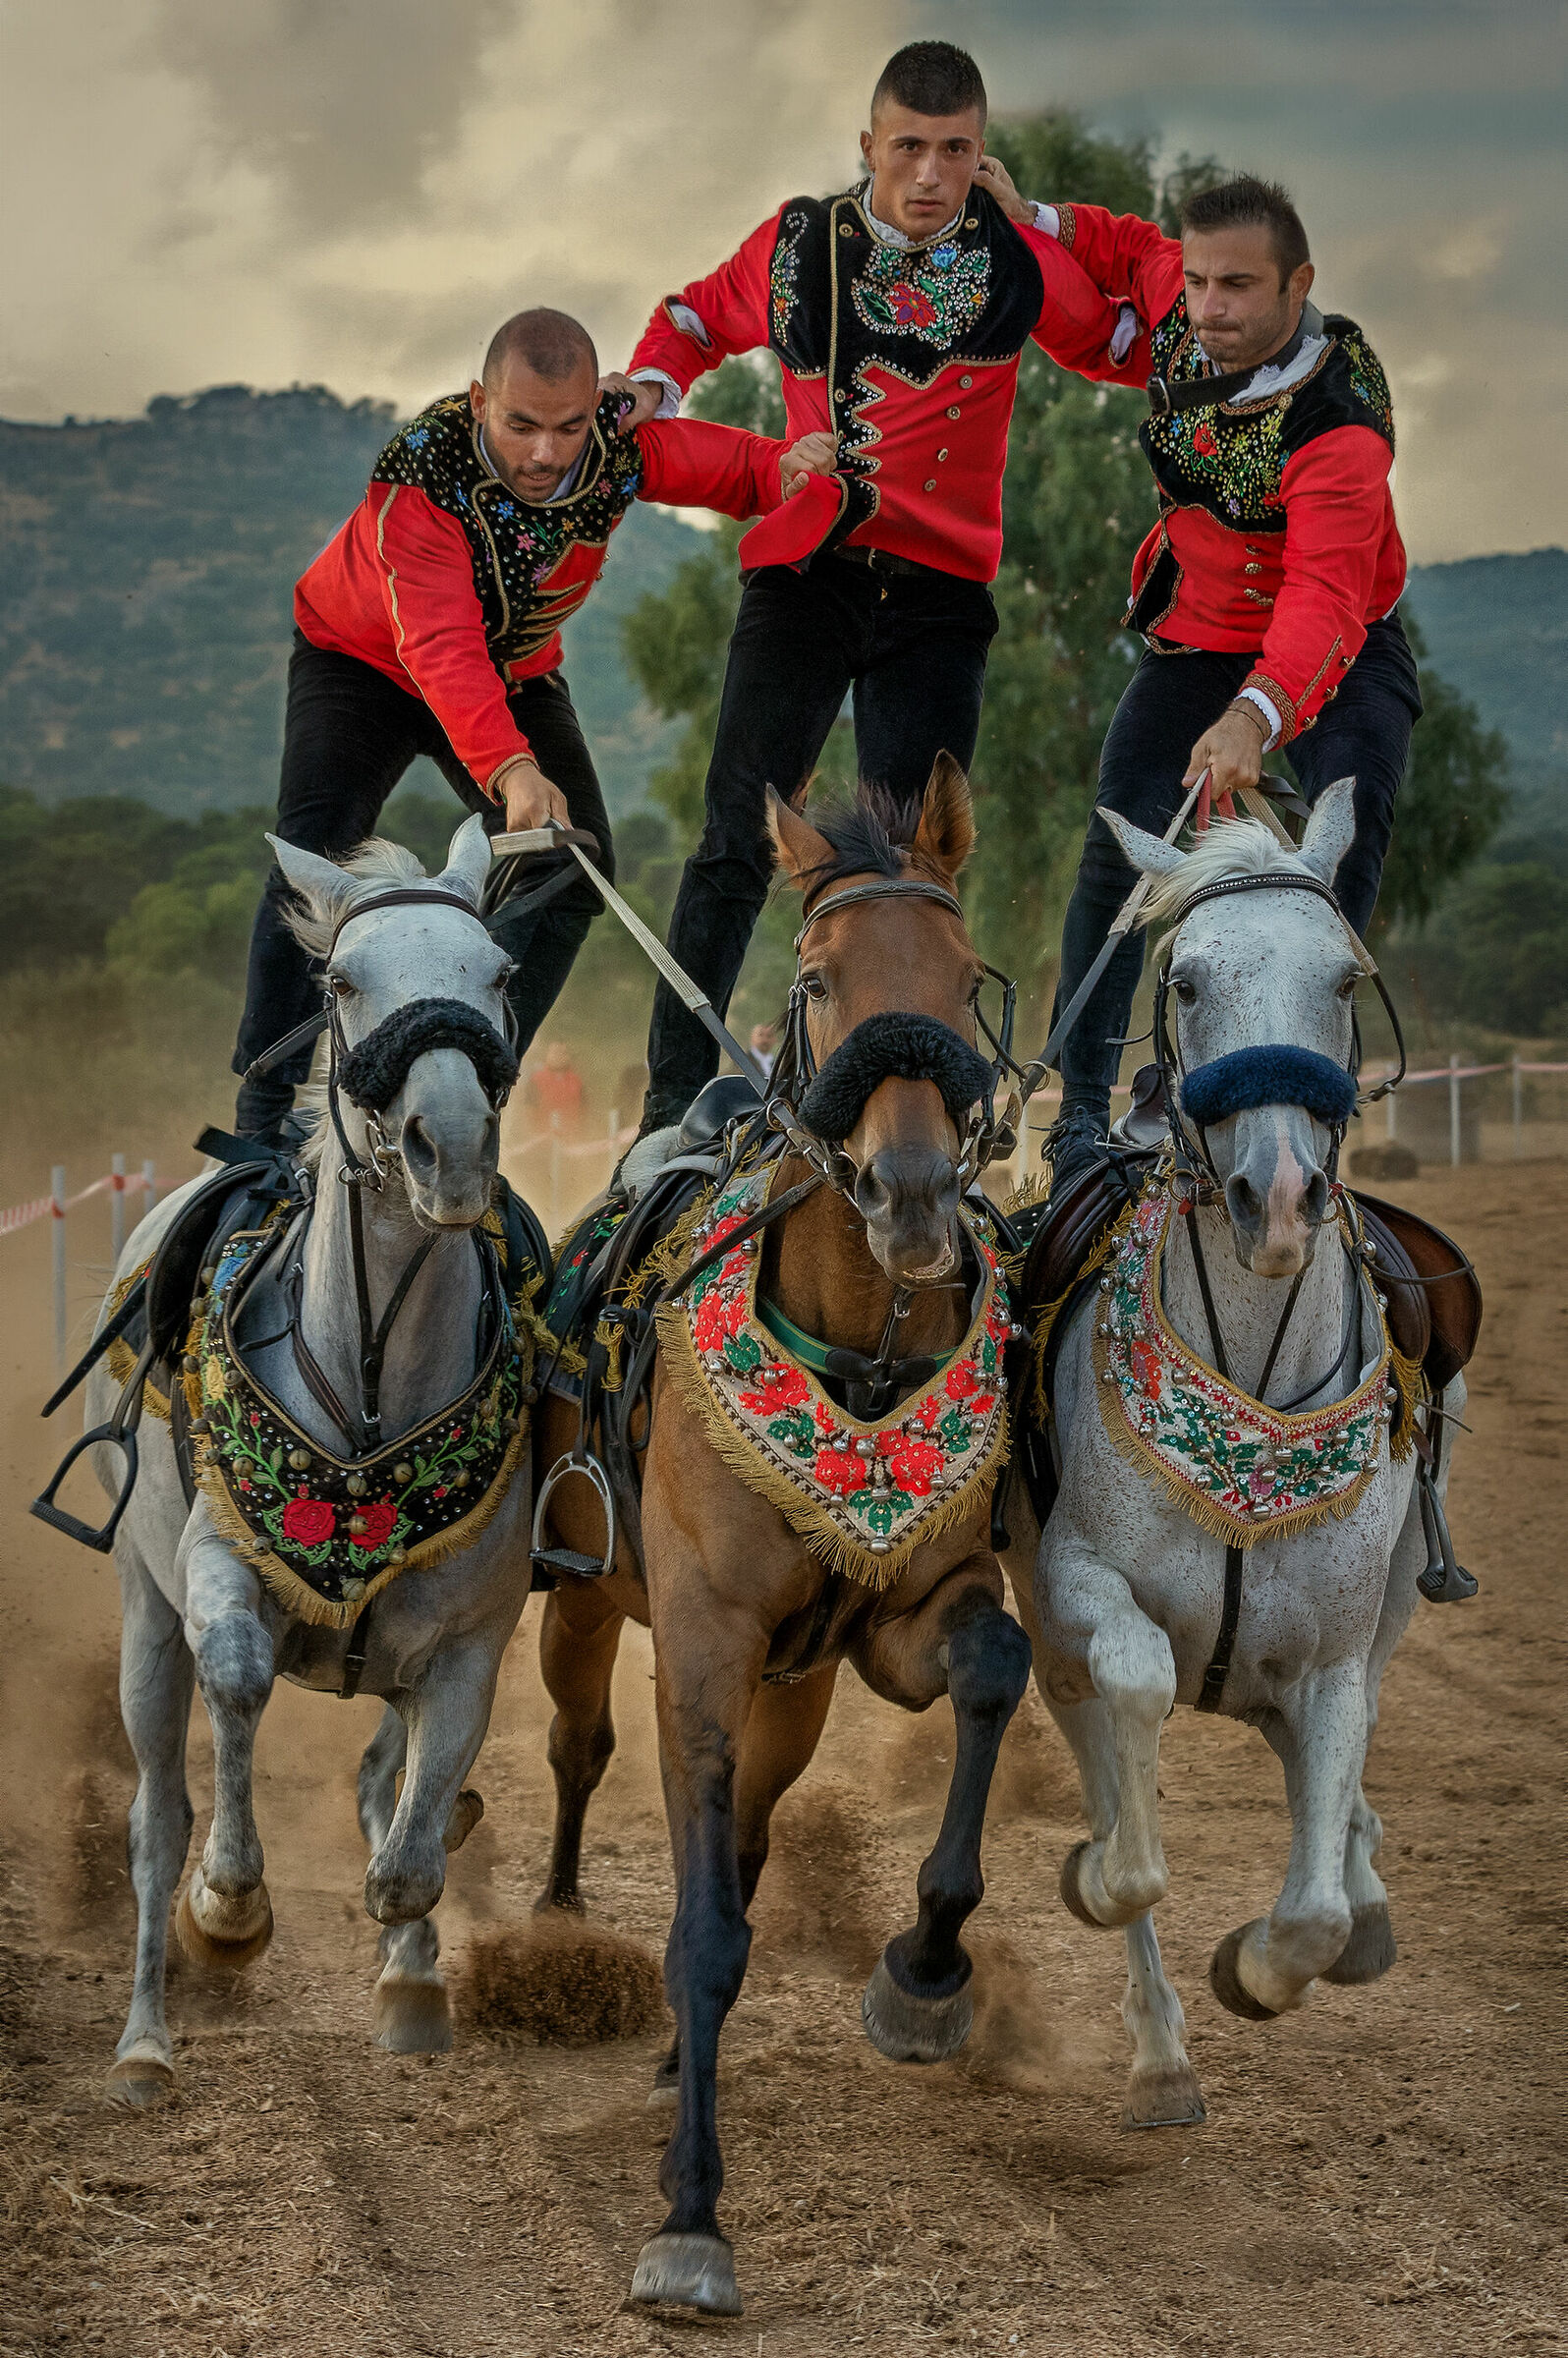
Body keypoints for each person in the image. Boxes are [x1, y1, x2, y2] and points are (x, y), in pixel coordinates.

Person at [602, 39, 1145, 1138]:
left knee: (913, 865)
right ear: (869, 146)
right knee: (732, 839)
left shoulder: (1014, 258)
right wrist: (646, 383)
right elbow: (697, 319)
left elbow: (1125, 344)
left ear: (983, 154)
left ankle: (912, 1110)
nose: (932, 175)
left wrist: (1047, 220)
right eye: (910, 147)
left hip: (941, 594)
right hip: (811, 575)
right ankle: (671, 1113)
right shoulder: (803, 242)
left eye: (956, 151)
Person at [232, 307, 831, 1145]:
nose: (546, 455)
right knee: (315, 855)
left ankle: (470, 1068)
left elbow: (715, 465)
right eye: (520, 425)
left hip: (513, 668)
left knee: (577, 866)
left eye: (569, 427)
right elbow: (439, 646)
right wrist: (512, 771)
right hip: (365, 662)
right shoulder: (419, 473)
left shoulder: (615, 445)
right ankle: (263, 1117)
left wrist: (786, 467)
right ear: (480, 401)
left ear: (596, 409)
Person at [979, 169, 1421, 1195]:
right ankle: (1081, 1119)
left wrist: (1254, 718)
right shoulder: (1186, 295)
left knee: (1344, 838)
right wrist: (1028, 214)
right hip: (1199, 635)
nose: (1210, 307)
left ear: (1297, 284)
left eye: (1239, 288)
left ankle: (1309, 1105)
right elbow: (1126, 244)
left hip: (1338, 646)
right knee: (1116, 850)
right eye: (1201, 284)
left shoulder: (1342, 426)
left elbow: (1322, 597)